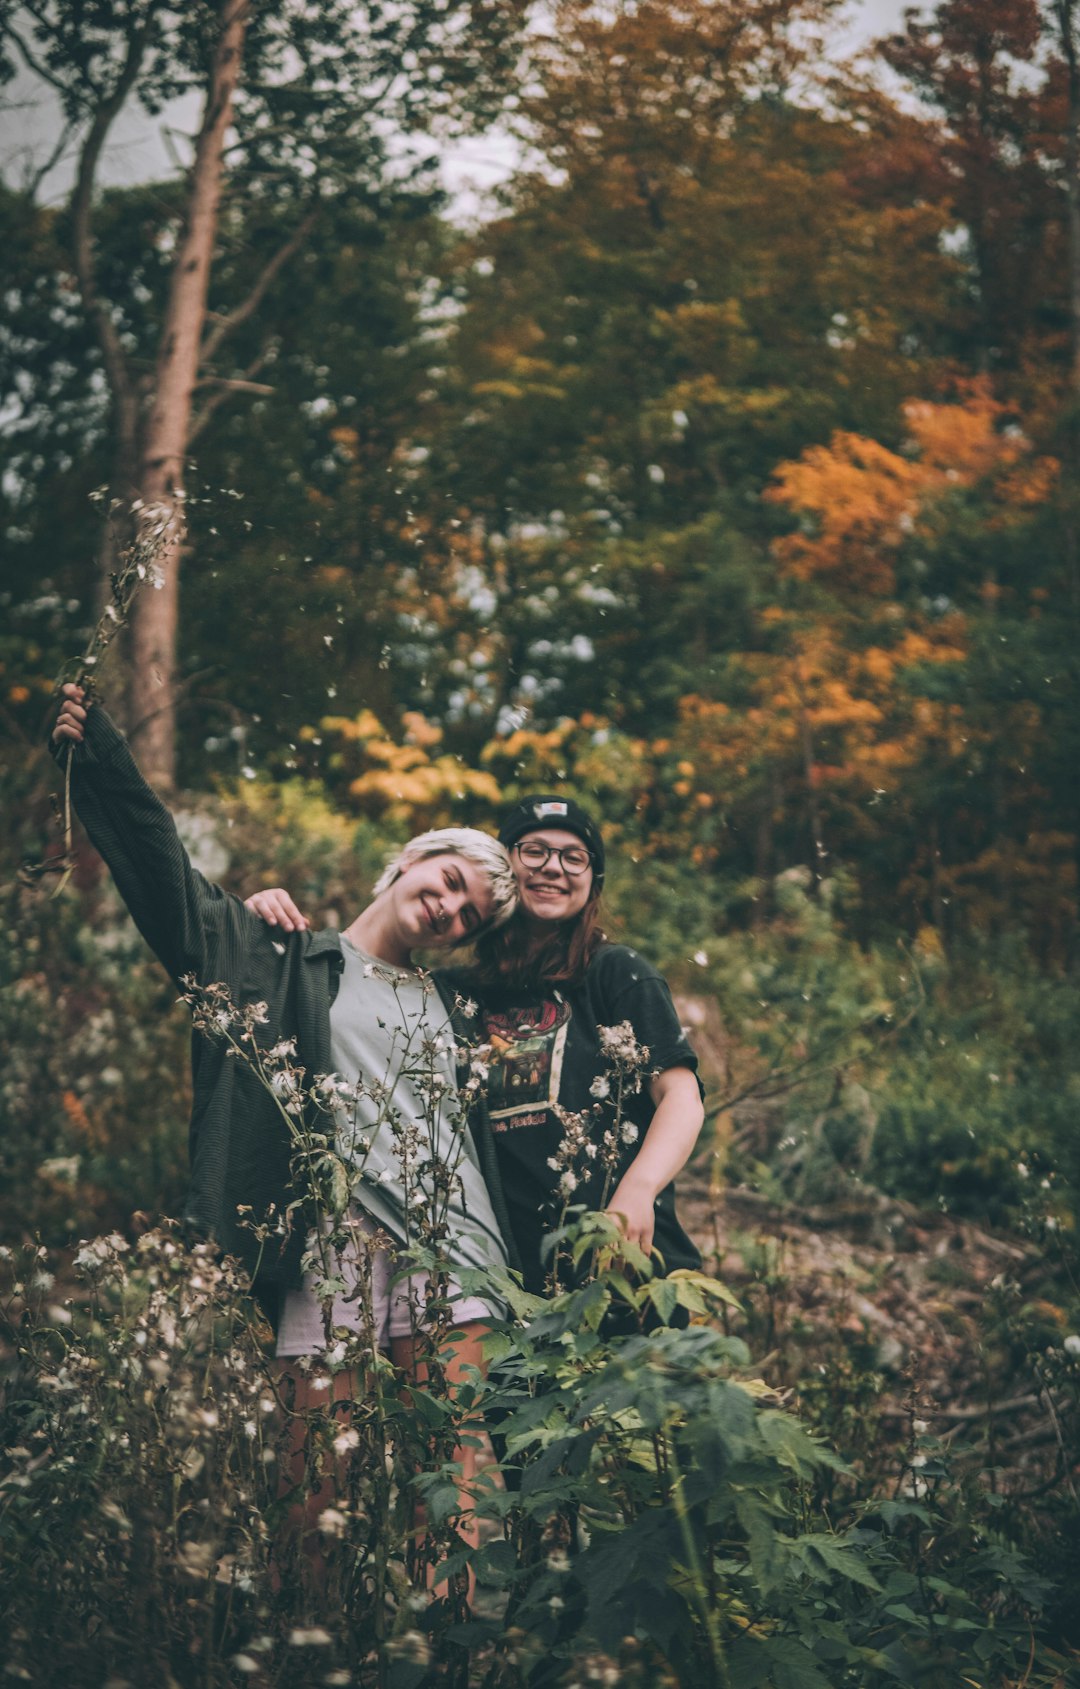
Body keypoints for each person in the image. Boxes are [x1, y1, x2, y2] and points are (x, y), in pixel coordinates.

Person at [51, 683, 519, 1581]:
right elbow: (167, 884)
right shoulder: (282, 957)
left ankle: (455, 1652)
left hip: (448, 1245)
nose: (450, 908)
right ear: (413, 857)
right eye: (449, 880)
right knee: (317, 1480)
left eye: (467, 917)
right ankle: (312, 1646)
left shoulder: (454, 1003)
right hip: (326, 1238)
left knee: (454, 1479)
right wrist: (99, 757)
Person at [246, 793, 705, 1297]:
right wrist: (261, 924)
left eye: (574, 857)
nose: (553, 867)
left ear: (592, 881)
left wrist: (638, 1189)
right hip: (511, 1275)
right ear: (505, 869)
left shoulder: (616, 973)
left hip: (623, 1258)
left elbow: (681, 1098)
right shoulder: (454, 994)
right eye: (534, 850)